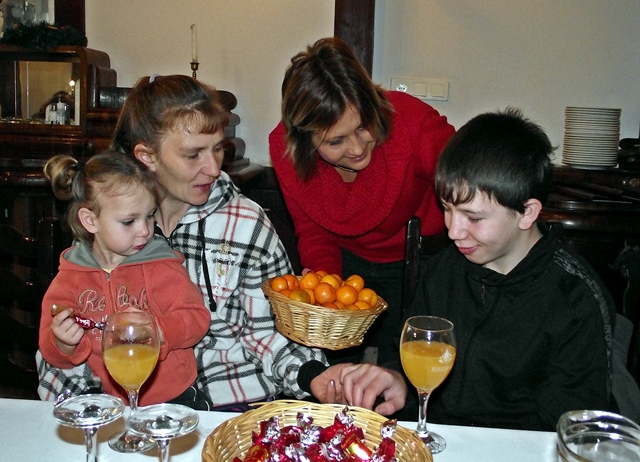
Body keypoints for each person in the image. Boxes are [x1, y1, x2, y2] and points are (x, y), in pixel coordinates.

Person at [37, 75, 355, 411]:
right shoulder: (109, 224)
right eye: (193, 155)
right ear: (147, 155)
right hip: (125, 400)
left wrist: (312, 375)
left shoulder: (247, 225)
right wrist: (80, 405)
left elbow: (271, 332)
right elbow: (67, 336)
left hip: (232, 402)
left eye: (218, 148)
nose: (214, 168)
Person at [328, 108, 621, 431]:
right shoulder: (444, 270)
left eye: (474, 217)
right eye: (447, 209)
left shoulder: (575, 297)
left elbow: (569, 428)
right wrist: (395, 379)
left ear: (527, 213)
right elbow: (416, 363)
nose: (453, 231)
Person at [269, 37, 455, 365]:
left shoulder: (413, 124)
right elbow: (314, 232)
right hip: (345, 268)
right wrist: (329, 302)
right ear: (304, 141)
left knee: (406, 372)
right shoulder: (287, 152)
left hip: (420, 265)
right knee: (337, 374)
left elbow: (470, 187)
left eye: (363, 127)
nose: (356, 149)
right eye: (336, 141)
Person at [37, 152, 211, 407]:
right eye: (129, 221)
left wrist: (159, 329)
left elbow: (197, 318)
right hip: (106, 402)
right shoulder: (70, 278)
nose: (145, 230)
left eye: (150, 215)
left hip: (173, 398)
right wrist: (63, 343)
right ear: (90, 221)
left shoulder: (161, 265)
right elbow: (51, 352)